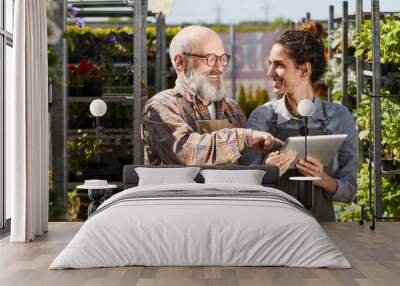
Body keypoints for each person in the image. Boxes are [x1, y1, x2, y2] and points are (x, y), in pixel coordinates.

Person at [240, 22, 358, 221]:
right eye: (270, 63)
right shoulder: (263, 116)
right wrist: (268, 170)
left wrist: (324, 180)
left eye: (278, 65)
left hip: (323, 230)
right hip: (273, 230)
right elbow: (243, 187)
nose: (269, 72)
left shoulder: (338, 116)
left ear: (304, 69)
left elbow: (349, 190)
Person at [142, 25, 283, 165]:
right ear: (180, 62)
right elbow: (186, 152)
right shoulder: (161, 106)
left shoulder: (232, 108)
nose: (220, 68)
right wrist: (244, 137)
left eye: (222, 59)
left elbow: (245, 166)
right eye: (211, 59)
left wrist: (266, 166)